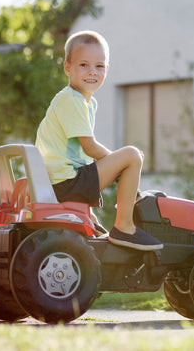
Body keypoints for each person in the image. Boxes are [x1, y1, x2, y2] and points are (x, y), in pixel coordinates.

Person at [35, 30, 163, 251]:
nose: (92, 72)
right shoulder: (71, 100)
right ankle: (124, 226)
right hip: (65, 184)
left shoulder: (83, 102)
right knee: (132, 155)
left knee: (124, 160)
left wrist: (114, 167)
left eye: (99, 66)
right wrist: (120, 161)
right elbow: (89, 146)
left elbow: (79, 155)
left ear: (107, 69)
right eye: (83, 65)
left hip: (60, 182)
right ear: (67, 67)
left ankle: (96, 221)